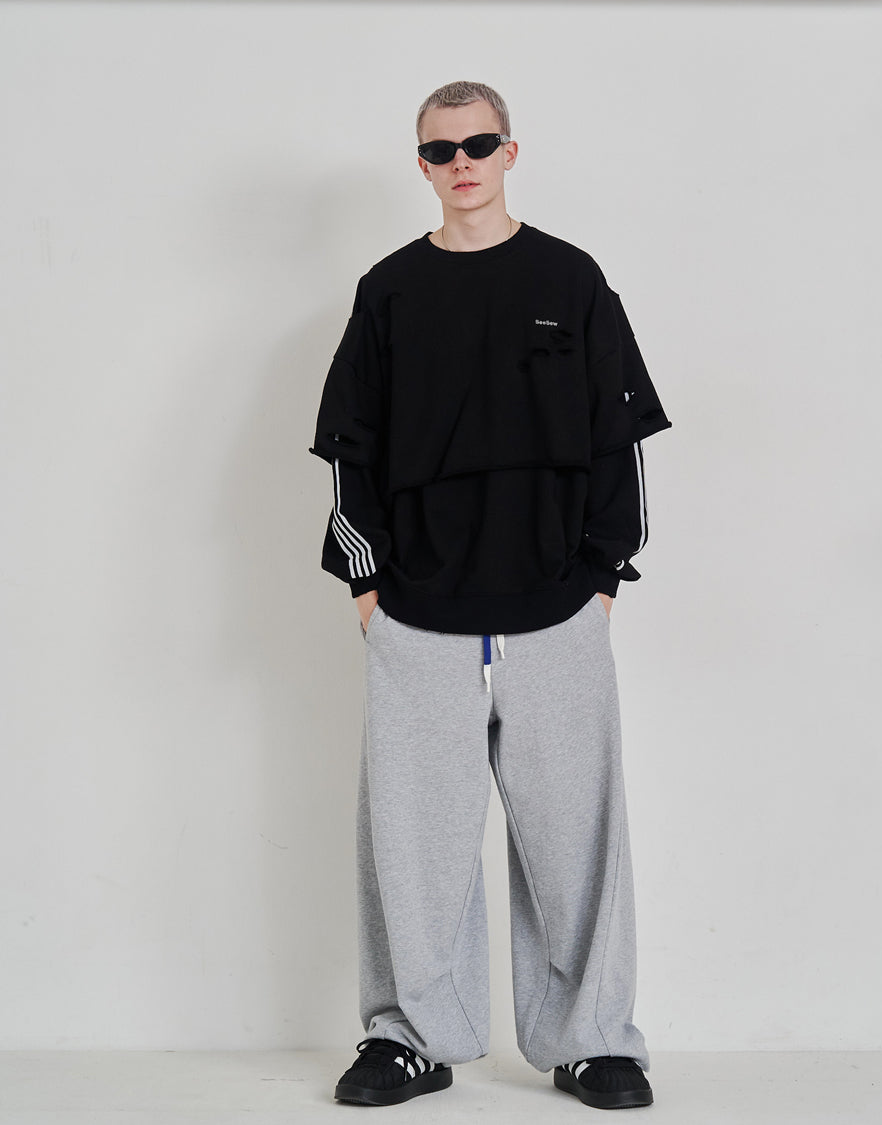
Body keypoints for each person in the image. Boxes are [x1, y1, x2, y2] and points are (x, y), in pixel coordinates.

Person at [309, 80, 671, 1111]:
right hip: (417, 613)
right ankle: (410, 1038)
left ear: (511, 151)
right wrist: (368, 585)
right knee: (412, 843)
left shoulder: (571, 277)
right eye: (440, 149)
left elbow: (617, 438)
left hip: (556, 607)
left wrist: (603, 577)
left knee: (576, 838)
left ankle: (593, 1042)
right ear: (421, 164)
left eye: (478, 143)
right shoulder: (389, 291)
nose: (461, 162)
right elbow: (348, 447)